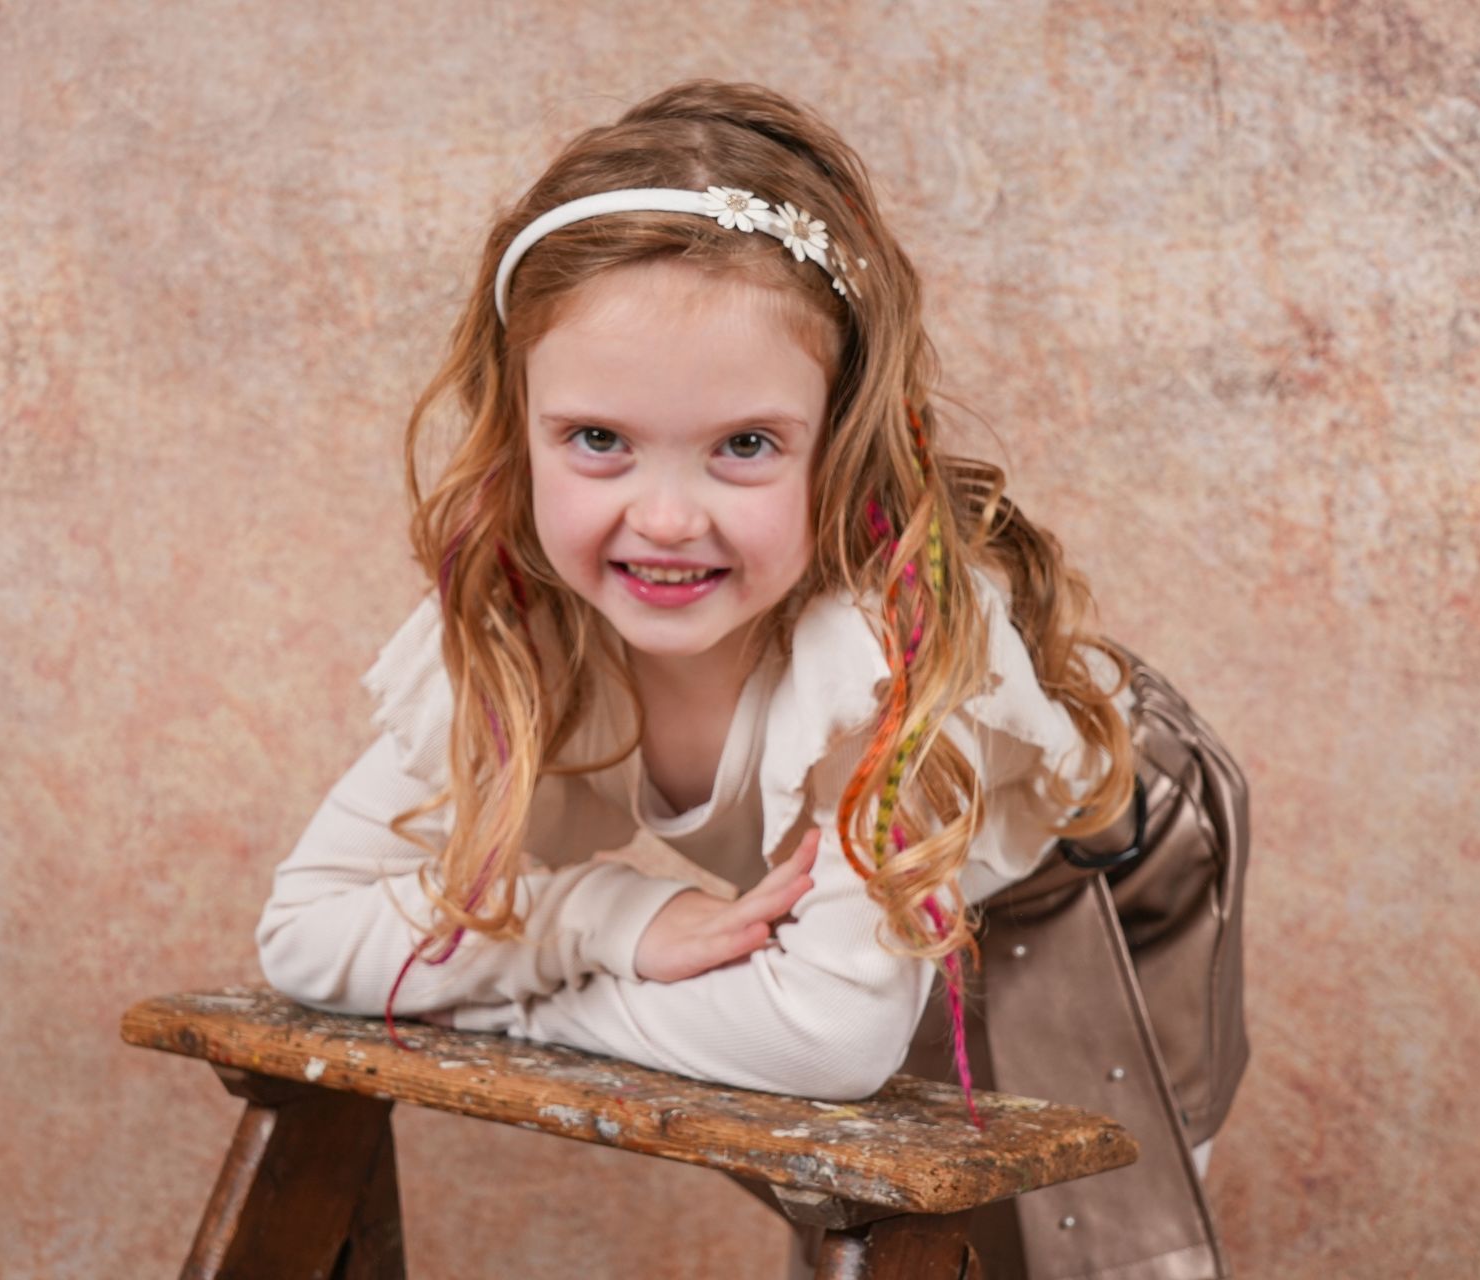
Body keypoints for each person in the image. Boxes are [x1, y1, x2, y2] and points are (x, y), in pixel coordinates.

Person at [256, 80, 1236, 1278]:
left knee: (1078, 1236)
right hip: (900, 894)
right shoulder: (523, 624)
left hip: (1107, 849)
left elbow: (824, 1038)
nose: (665, 518)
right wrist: (611, 920)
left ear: (842, 441)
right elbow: (304, 934)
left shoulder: (874, 654)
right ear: (517, 431)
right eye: (598, 439)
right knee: (841, 1155)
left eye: (747, 445)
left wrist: (520, 1005)